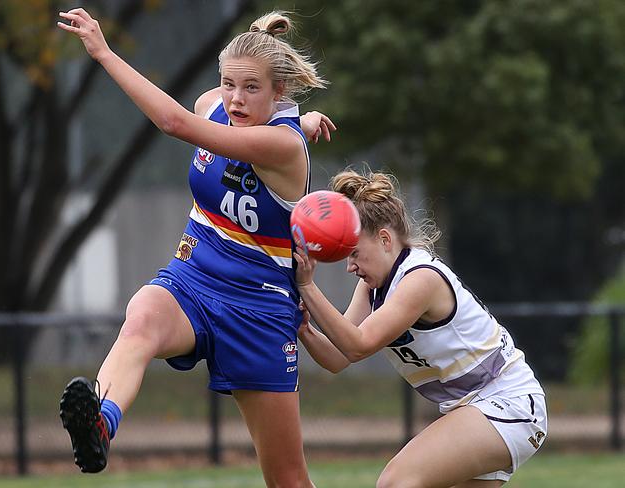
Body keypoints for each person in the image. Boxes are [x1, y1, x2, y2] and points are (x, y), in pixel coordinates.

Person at [57, 8, 334, 487]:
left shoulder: (284, 146)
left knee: (287, 479)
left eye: (251, 88)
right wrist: (298, 120)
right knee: (141, 315)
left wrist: (103, 52)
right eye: (229, 84)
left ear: (279, 92)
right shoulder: (216, 105)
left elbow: (173, 122)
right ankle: (101, 425)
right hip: (193, 278)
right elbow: (204, 117)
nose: (235, 98)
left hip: (259, 308)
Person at [293, 168, 547, 487]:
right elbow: (338, 358)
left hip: (508, 404)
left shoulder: (420, 280)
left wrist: (307, 286)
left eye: (354, 253)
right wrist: (305, 330)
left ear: (385, 239)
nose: (350, 266)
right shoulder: (374, 287)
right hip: (478, 410)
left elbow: (358, 344)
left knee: (396, 482)